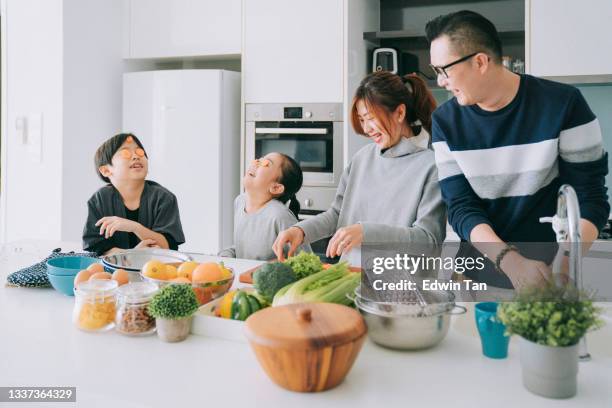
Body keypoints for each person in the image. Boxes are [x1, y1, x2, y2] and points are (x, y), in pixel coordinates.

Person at [426, 11, 609, 290]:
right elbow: (461, 207)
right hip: (479, 277)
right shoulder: (445, 122)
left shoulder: (564, 104)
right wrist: (511, 262)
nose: (440, 81)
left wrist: (564, 265)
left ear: (480, 61)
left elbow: (590, 197)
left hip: (552, 274)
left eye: (444, 70)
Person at [273, 71, 447, 262]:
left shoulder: (431, 166)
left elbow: (429, 241)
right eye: (362, 120)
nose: (366, 129)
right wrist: (300, 230)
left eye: (370, 118)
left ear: (399, 113)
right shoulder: (362, 158)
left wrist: (366, 233)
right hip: (351, 280)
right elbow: (337, 215)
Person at [82, 133, 185, 256]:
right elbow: (97, 248)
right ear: (106, 170)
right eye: (126, 153)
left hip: (155, 270)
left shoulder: (164, 198)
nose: (136, 156)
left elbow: (168, 246)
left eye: (140, 152)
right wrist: (133, 254)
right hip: (112, 272)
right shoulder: (99, 200)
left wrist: (135, 227)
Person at [218, 152, 311, 260]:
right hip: (244, 276)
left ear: (276, 188)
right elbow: (244, 248)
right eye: (259, 159)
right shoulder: (240, 202)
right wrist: (226, 255)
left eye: (266, 163)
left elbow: (305, 259)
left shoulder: (279, 216)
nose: (256, 162)